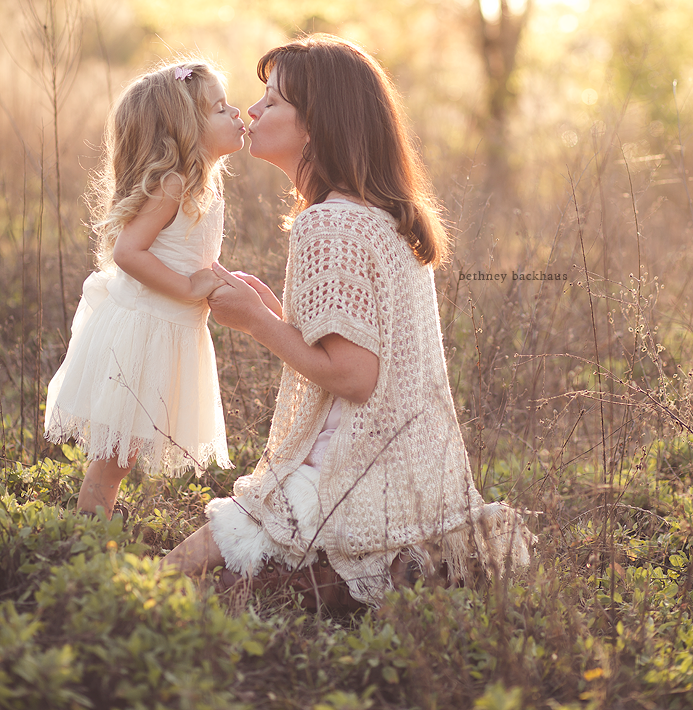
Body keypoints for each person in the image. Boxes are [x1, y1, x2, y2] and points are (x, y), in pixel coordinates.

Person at [163, 36, 532, 608]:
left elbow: (355, 378)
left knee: (174, 578)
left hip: (347, 475)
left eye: (274, 101)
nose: (253, 111)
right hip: (406, 475)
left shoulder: (329, 225)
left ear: (317, 127)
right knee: (211, 578)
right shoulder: (376, 216)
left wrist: (259, 324)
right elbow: (362, 354)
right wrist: (280, 315)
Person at [45, 59, 245, 518]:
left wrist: (216, 280)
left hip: (170, 328)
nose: (237, 114)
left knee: (125, 452)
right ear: (184, 129)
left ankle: (92, 529)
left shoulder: (201, 186)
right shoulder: (172, 184)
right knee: (114, 458)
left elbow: (187, 253)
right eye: (220, 108)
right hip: (144, 330)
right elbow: (129, 253)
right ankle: (84, 537)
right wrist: (188, 286)